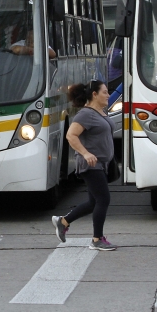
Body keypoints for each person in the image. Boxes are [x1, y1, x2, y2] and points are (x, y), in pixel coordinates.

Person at [52, 80, 117, 251]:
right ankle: (97, 239)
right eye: (105, 92)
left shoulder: (101, 112)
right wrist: (86, 153)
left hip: (101, 164)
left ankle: (63, 221)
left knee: (93, 202)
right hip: (90, 164)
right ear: (94, 94)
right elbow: (71, 135)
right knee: (103, 199)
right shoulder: (85, 114)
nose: (108, 95)